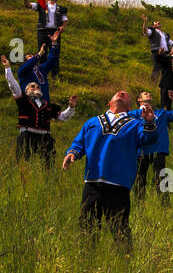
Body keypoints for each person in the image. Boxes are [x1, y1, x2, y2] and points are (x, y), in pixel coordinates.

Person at [62, 90, 158, 252]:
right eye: (118, 93)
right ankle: (87, 263)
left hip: (118, 186)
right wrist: (72, 153)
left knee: (120, 230)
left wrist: (149, 123)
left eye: (126, 94)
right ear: (109, 102)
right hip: (92, 183)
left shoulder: (136, 124)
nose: (122, 92)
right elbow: (79, 143)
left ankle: (125, 266)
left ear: (129, 106)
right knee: (87, 227)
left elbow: (148, 139)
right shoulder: (92, 122)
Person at [2, 55, 75, 168]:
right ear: (26, 90)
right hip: (27, 136)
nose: (35, 87)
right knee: (24, 164)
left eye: (37, 86)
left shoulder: (47, 105)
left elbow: (63, 117)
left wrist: (71, 107)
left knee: (48, 165)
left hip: (44, 138)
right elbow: (13, 85)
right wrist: (8, 69)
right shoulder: (23, 100)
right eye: (32, 86)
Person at [131, 90, 173, 204]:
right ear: (139, 99)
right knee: (139, 179)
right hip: (140, 150)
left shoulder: (161, 113)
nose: (149, 94)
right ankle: (139, 204)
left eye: (150, 93)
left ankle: (165, 203)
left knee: (161, 176)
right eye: (145, 93)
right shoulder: (133, 114)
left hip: (158, 149)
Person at [28, 0, 68, 75]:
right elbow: (29, 5)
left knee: (55, 52)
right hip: (42, 31)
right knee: (42, 51)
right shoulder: (41, 5)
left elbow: (64, 19)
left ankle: (55, 74)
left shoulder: (61, 8)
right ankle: (41, 73)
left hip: (55, 32)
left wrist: (62, 27)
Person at [18, 34, 61, 102]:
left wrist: (54, 43)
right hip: (30, 101)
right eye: (29, 56)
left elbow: (52, 59)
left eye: (33, 55)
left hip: (45, 101)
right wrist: (39, 54)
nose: (33, 56)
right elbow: (27, 65)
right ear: (24, 61)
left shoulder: (41, 69)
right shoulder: (22, 70)